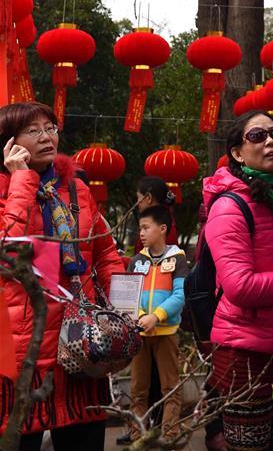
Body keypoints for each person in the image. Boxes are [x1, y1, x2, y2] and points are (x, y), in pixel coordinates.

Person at [0, 102, 124, 450]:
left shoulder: (76, 190)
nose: (46, 136)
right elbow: (10, 254)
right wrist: (22, 178)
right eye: (33, 130)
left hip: (80, 348)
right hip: (22, 350)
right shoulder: (6, 189)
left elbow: (105, 254)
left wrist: (122, 310)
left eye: (50, 127)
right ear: (8, 142)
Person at [204, 111, 273, 451]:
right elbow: (240, 286)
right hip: (244, 354)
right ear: (237, 152)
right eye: (257, 136)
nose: (269, 141)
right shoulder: (229, 206)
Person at [127, 206, 188, 444]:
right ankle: (137, 438)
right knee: (138, 390)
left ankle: (170, 437)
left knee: (170, 388)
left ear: (162, 229)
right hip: (140, 334)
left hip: (167, 332)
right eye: (140, 228)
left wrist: (157, 316)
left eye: (146, 227)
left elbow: (180, 295)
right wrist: (142, 316)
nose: (141, 233)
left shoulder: (178, 259)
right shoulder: (136, 261)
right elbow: (130, 295)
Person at [134, 175, 178, 252]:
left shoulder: (161, 223)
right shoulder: (165, 219)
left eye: (138, 197)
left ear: (148, 198)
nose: (137, 203)